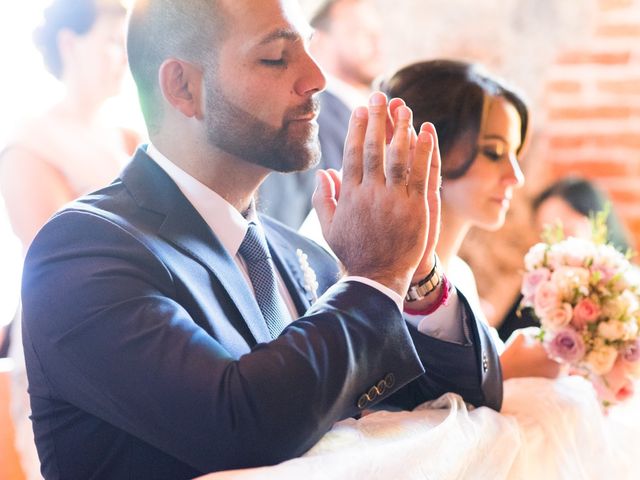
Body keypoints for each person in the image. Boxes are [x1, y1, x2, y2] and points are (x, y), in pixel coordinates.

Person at [21, 1, 501, 478]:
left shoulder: (302, 253)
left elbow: (466, 397)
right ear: (183, 87)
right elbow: (238, 427)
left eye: (310, 50)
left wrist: (416, 275)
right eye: (276, 58)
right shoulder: (81, 252)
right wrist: (377, 276)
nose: (316, 78)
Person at [0, 1, 136, 478]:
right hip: (64, 345)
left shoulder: (125, 138)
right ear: (69, 43)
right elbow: (50, 255)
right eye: (110, 43)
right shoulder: (29, 139)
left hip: (134, 337)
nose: (123, 56)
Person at [378, 59, 563, 380]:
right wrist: (499, 372)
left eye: (516, 155)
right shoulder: (379, 271)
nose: (515, 177)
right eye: (493, 153)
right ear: (432, 147)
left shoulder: (461, 276)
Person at [258, 0, 384, 228]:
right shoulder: (304, 117)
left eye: (377, 32)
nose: (376, 42)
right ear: (319, 41)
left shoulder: (368, 114)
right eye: (360, 32)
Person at [498, 176, 633, 341]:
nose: (556, 247)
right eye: (547, 237)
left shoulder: (628, 291)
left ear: (597, 225)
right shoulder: (541, 293)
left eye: (566, 232)